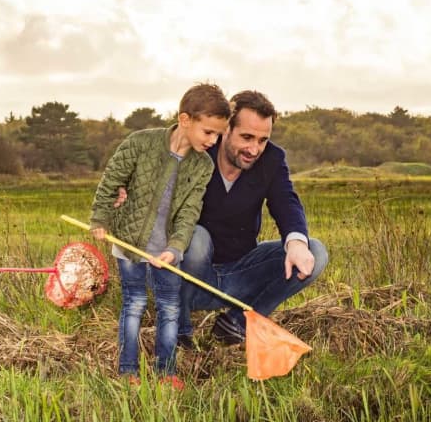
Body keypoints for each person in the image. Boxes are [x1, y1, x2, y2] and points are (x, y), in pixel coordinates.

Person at [90, 83, 230, 386]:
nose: (213, 140)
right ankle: (128, 371)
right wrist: (101, 218)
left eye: (218, 134)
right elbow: (111, 181)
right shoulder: (140, 143)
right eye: (208, 132)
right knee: (134, 304)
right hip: (128, 245)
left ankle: (166, 373)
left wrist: (176, 248)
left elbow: (190, 211)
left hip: (166, 252)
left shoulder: (203, 166)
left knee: (169, 306)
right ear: (184, 120)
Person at [178, 89, 328, 346]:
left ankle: (237, 323)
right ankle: (179, 330)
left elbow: (286, 201)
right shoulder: (195, 151)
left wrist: (296, 244)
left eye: (262, 140)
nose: (254, 149)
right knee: (197, 238)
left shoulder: (272, 159)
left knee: (316, 251)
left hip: (239, 272)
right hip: (189, 278)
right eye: (246, 137)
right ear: (225, 128)